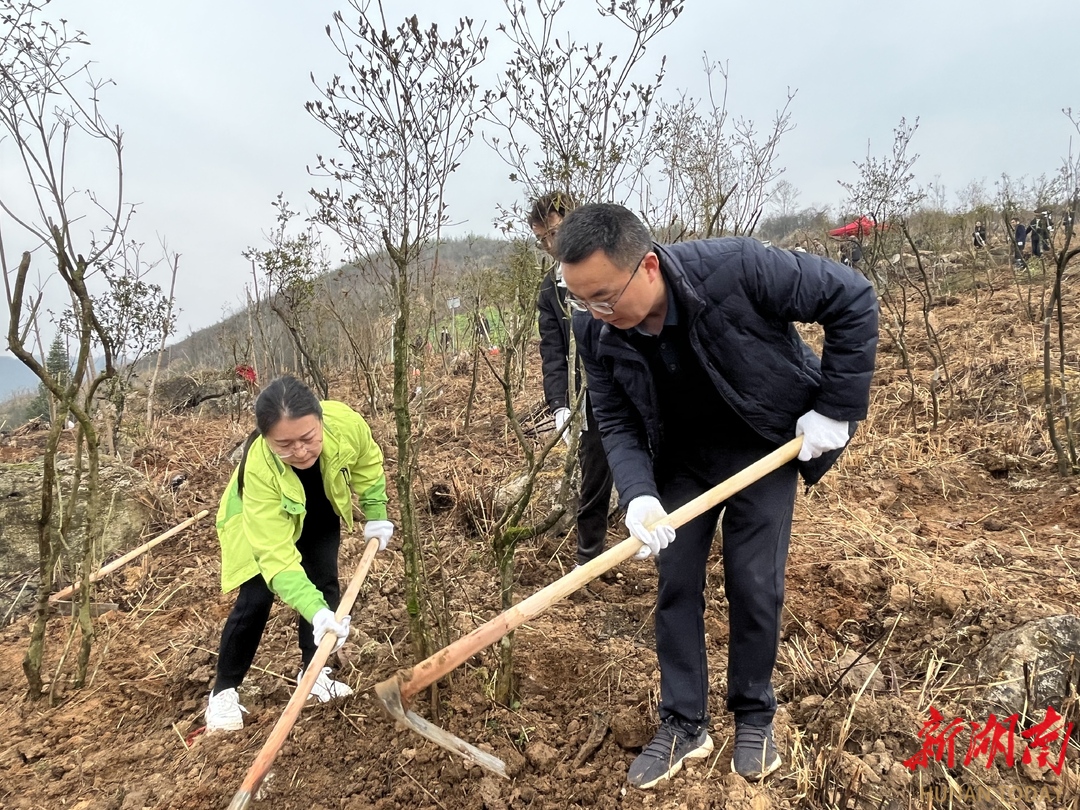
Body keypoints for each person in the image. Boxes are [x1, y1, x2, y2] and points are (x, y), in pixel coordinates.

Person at [555, 204, 878, 789]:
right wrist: (638, 495)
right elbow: (616, 418)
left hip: (761, 443)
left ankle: (755, 714)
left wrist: (836, 408)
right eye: (581, 302)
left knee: (754, 583)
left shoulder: (737, 268)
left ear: (647, 267)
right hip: (678, 459)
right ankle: (684, 722)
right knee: (676, 582)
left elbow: (852, 298)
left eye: (603, 297)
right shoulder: (595, 329)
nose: (596, 314)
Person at [204, 375, 393, 732]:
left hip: (318, 505)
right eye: (285, 445)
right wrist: (315, 612)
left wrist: (376, 513)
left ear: (321, 419)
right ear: (265, 438)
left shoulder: (346, 424)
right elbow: (276, 557)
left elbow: (368, 463)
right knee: (255, 600)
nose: (301, 451)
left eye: (308, 438)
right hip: (261, 519)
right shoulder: (259, 469)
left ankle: (313, 671)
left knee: (324, 582)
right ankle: (224, 691)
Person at [528, 191, 615, 567]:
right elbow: (552, 351)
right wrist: (560, 404)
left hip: (631, 380)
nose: (550, 244)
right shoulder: (551, 289)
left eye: (555, 232)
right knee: (594, 471)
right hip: (588, 394)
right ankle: (589, 556)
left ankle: (668, 547)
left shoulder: (612, 260)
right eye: (542, 238)